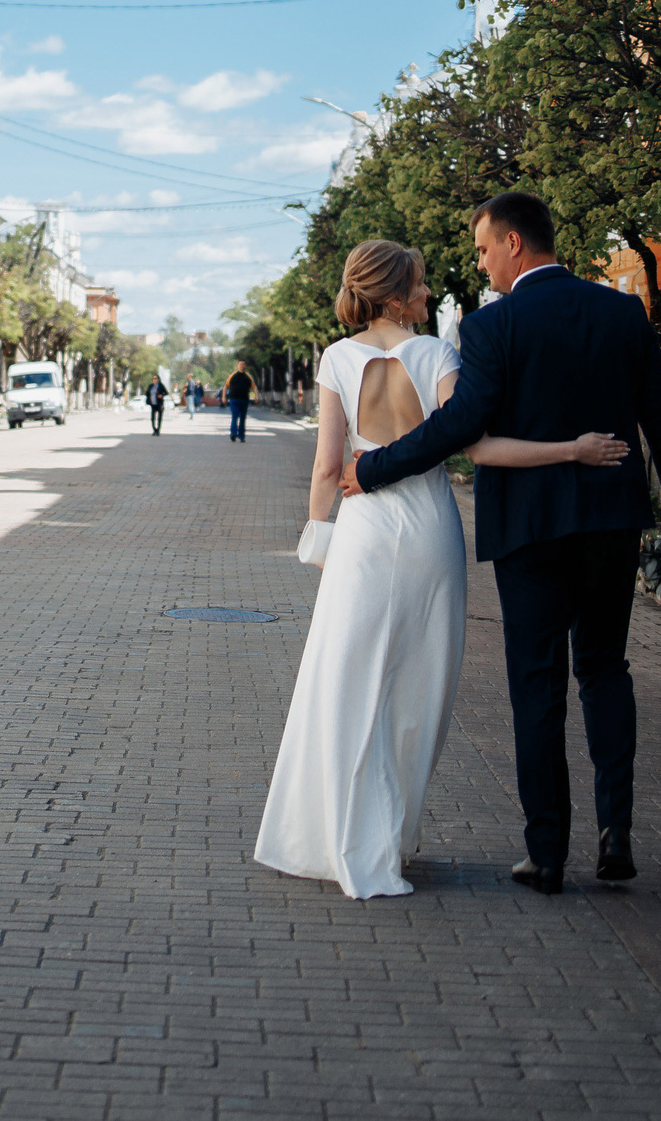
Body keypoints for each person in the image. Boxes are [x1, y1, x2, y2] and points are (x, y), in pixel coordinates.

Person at [337, 192, 661, 896]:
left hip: (529, 534)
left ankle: (547, 853)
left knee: (537, 682)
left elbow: (460, 425)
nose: (479, 262)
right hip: (610, 523)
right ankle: (616, 831)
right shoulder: (623, 313)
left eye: (481, 248)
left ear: (512, 244)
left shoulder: (493, 327)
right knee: (604, 669)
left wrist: (374, 467)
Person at [256, 238, 632, 900]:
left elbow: (326, 465)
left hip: (364, 536)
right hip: (430, 532)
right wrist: (572, 448)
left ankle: (347, 833)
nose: (430, 292)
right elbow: (478, 445)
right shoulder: (437, 355)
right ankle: (391, 834)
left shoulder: (337, 358)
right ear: (398, 292)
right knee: (418, 692)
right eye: (422, 283)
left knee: (346, 683)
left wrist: (320, 543)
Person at [225, 361, 254, 442]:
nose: (242, 365)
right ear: (237, 366)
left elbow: (253, 387)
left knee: (242, 418)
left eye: (243, 364)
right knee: (235, 416)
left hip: (244, 400)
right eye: (240, 364)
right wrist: (223, 397)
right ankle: (233, 434)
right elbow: (226, 386)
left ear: (245, 366)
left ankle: (241, 436)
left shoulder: (248, 376)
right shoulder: (233, 375)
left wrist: (257, 396)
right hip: (234, 399)